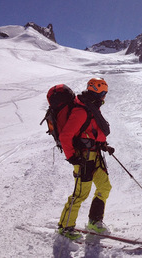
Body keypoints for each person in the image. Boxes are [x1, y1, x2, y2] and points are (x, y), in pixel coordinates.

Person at [57, 78, 115, 240]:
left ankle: (94, 221)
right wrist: (72, 158)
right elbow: (65, 135)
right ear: (96, 92)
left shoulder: (91, 108)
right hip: (83, 158)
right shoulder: (81, 111)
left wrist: (103, 145)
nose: (104, 97)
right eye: (103, 93)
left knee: (104, 187)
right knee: (81, 193)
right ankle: (65, 227)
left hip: (95, 155)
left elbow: (92, 131)